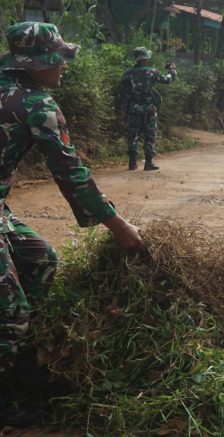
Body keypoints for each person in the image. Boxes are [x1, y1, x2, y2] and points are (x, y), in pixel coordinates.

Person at [0, 22, 145, 423]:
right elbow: (71, 173)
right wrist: (118, 226)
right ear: (34, 64)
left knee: (40, 258)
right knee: (10, 311)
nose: (63, 66)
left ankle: (23, 370)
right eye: (57, 59)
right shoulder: (37, 107)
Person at [121, 46, 176, 171]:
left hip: (134, 109)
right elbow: (168, 80)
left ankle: (132, 163)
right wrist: (172, 71)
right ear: (145, 59)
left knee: (133, 135)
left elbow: (123, 93)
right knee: (149, 135)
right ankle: (148, 162)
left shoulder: (127, 73)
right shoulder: (152, 72)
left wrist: (122, 111)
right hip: (149, 110)